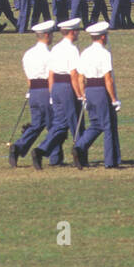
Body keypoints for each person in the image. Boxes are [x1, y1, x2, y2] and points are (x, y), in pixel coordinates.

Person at [30, 18, 83, 169]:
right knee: (76, 123)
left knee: (59, 124)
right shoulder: (72, 50)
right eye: (77, 30)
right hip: (67, 86)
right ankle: (81, 154)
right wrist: (79, 94)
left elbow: (51, 73)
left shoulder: (56, 48)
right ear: (72, 32)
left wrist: (52, 92)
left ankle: (41, 150)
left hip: (57, 87)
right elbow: (73, 74)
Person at [73, 22, 120, 169]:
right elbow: (108, 79)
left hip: (89, 90)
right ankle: (110, 161)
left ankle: (80, 146)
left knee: (95, 124)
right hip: (100, 89)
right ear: (102, 37)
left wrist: (83, 95)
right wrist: (114, 99)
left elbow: (80, 77)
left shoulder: (85, 53)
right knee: (108, 126)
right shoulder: (104, 54)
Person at [9, 20, 55, 166]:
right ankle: (54, 157)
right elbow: (51, 77)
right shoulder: (49, 55)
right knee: (53, 125)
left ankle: (18, 147)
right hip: (45, 91)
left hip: (33, 91)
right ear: (47, 35)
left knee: (37, 124)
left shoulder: (28, 54)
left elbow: (28, 77)